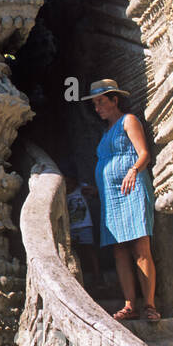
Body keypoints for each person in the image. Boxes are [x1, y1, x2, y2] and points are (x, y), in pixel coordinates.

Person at [82, 78, 159, 322]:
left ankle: (149, 304)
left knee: (140, 246)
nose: (97, 108)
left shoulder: (129, 121)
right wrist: (96, 189)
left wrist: (134, 170)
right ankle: (129, 304)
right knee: (119, 250)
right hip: (111, 195)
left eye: (101, 102)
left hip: (132, 188)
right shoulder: (105, 133)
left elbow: (144, 153)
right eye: (94, 104)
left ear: (115, 100)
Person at [64, 169, 101, 287]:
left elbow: (96, 193)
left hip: (85, 225)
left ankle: (97, 275)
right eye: (66, 183)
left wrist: (90, 190)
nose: (69, 186)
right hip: (70, 228)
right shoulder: (61, 193)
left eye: (70, 183)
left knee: (90, 250)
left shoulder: (81, 189)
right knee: (74, 252)